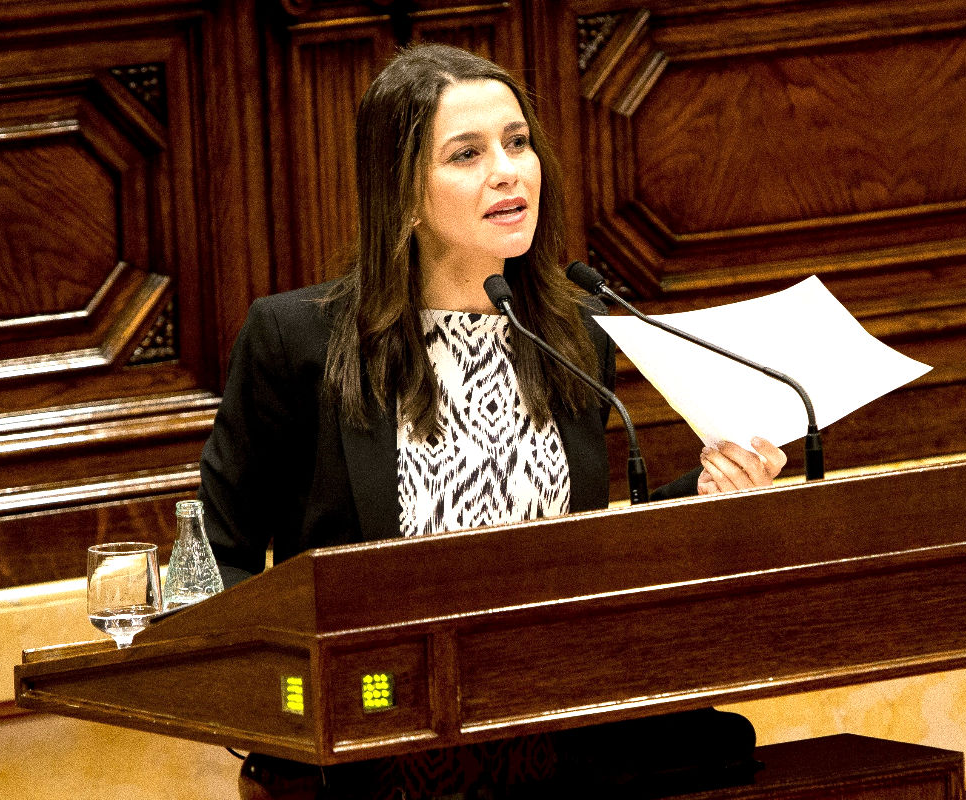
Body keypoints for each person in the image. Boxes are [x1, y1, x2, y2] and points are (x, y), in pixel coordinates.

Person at [198, 42, 783, 797]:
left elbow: (587, 552)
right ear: (403, 195)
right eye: (466, 154)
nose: (508, 170)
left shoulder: (571, 329)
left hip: (560, 751)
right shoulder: (297, 340)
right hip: (372, 760)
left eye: (517, 143)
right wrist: (293, 706)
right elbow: (219, 556)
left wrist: (706, 494)